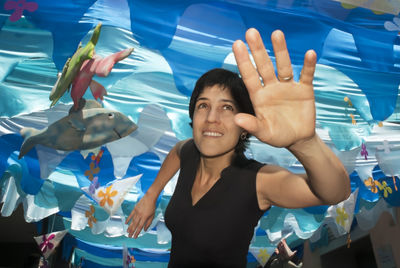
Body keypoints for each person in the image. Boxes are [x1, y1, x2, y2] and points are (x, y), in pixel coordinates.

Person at [126, 28, 351, 267]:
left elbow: (335, 192)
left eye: (227, 108)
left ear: (245, 126)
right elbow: (177, 152)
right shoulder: (191, 152)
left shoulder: (258, 180)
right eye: (203, 105)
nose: (212, 117)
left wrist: (305, 143)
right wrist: (150, 195)